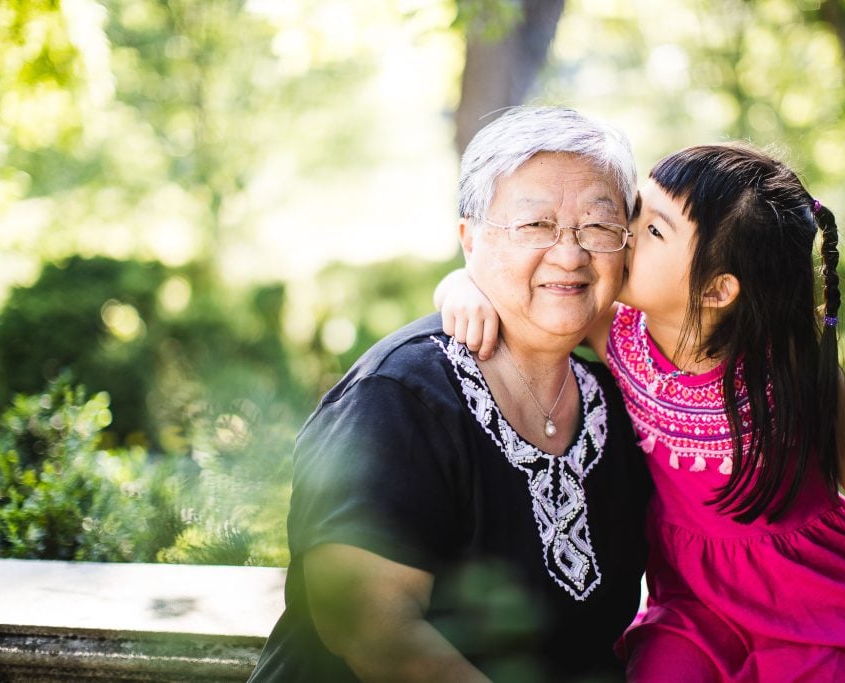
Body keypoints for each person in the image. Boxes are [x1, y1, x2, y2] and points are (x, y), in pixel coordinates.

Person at [437, 143, 845, 682]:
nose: (624, 233)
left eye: (654, 231)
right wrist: (460, 285)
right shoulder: (614, 334)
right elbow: (517, 292)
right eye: (635, 212)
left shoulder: (784, 363)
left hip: (805, 591)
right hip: (692, 602)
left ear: (716, 289)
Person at [247, 106, 652, 683]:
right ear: (470, 238)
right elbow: (372, 630)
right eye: (535, 225)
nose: (570, 253)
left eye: (598, 226)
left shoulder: (617, 400)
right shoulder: (401, 396)